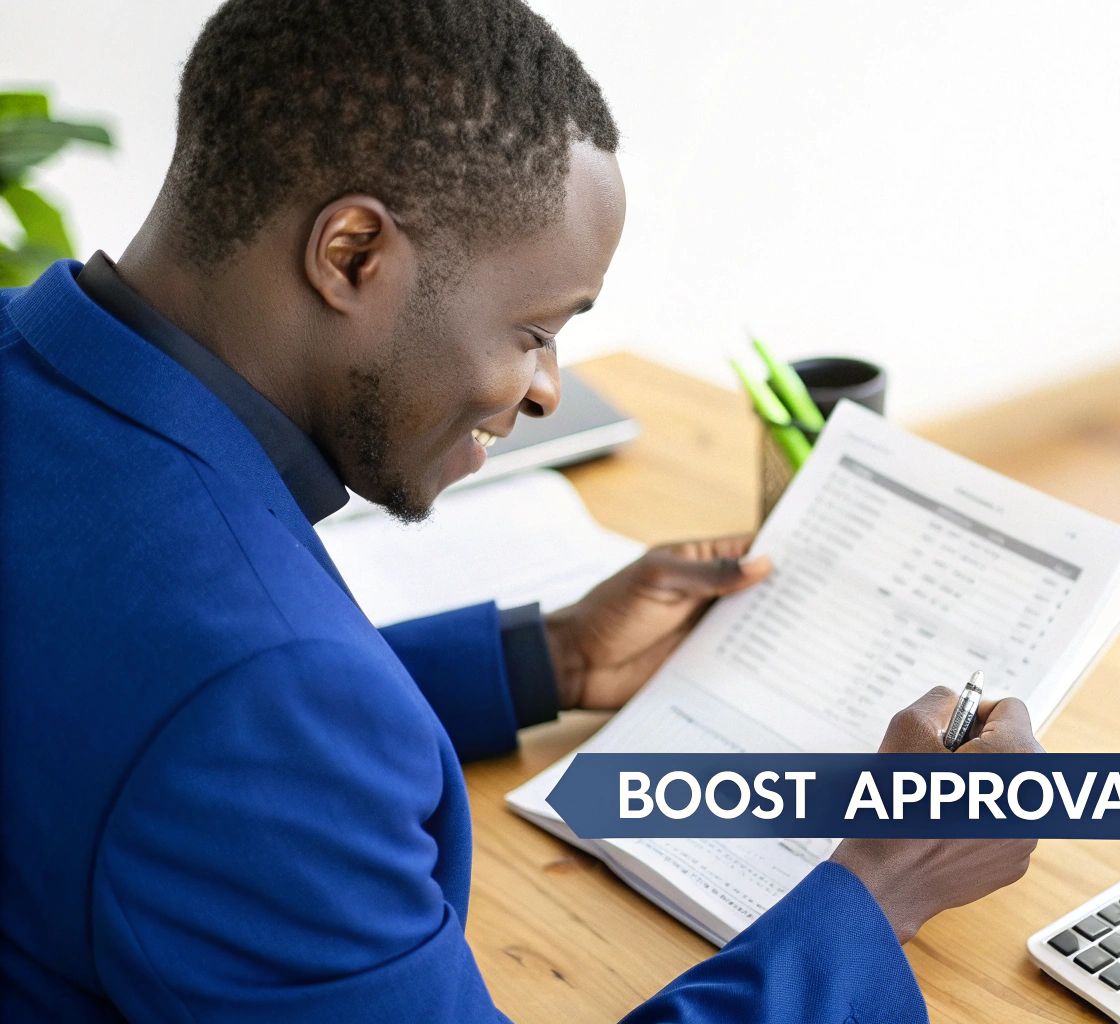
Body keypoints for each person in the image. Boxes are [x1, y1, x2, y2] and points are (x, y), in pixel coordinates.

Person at [0, 1, 1040, 1020]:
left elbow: (134, 711)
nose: (545, 387)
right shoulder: (264, 705)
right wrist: (882, 881)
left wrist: (546, 659)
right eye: (535, 328)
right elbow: (238, 721)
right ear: (352, 253)